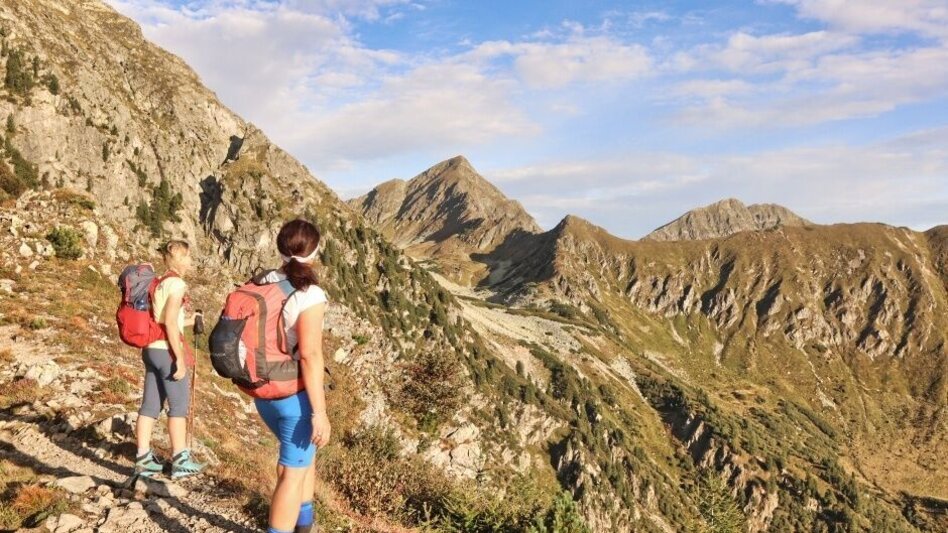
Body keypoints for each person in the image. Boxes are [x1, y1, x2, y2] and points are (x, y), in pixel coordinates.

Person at [256, 219, 331, 533]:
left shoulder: (263, 280)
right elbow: (311, 356)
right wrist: (320, 413)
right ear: (314, 251)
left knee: (301, 461)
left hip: (263, 390)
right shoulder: (308, 293)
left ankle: (305, 525)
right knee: (292, 472)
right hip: (292, 397)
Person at [133, 240, 205, 479]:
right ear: (177, 257)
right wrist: (180, 359)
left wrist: (190, 320)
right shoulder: (177, 283)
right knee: (178, 406)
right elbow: (172, 322)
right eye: (187, 257)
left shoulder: (160, 283)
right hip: (166, 351)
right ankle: (180, 461)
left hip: (151, 349)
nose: (190, 262)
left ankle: (143, 459)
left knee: (150, 405)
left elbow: (164, 320)